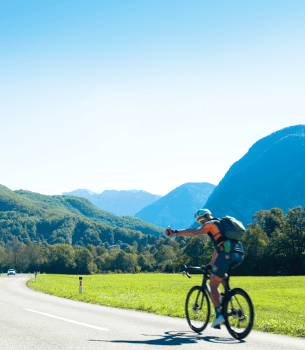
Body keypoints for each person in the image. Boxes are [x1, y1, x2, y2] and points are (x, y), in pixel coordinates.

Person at [166, 209, 244, 328]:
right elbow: (218, 250)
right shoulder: (221, 226)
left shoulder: (211, 224)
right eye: (199, 222)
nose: (201, 223)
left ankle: (219, 316)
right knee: (219, 272)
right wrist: (211, 264)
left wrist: (174, 232)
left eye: (201, 220)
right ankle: (228, 294)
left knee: (213, 285)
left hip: (226, 255)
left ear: (207, 216)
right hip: (238, 253)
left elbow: (194, 232)